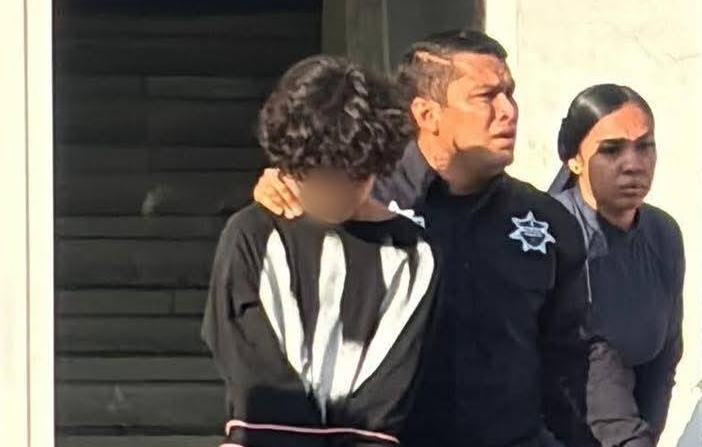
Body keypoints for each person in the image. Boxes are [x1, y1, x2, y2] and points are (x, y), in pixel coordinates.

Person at [252, 30, 606, 447]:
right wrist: (286, 189)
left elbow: (572, 363)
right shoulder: (360, 204)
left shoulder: (546, 222)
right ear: (426, 114)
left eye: (510, 94)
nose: (508, 111)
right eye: (486, 96)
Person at [201, 54, 441, 447]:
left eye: (354, 177)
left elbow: (390, 388)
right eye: (319, 176)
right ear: (291, 162)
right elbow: (251, 371)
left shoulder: (414, 255)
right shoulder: (252, 236)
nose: (335, 193)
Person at [549, 84, 685, 446]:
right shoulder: (552, 233)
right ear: (575, 159)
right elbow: (583, 364)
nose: (634, 165)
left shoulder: (663, 234)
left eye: (645, 147)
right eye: (611, 150)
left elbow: (665, 358)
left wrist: (645, 437)